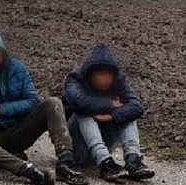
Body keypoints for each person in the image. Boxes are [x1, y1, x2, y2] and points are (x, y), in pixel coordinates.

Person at [0, 28, 88, 185]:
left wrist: (0, 110)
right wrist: (7, 119)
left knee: (53, 103)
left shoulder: (17, 68)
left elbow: (32, 101)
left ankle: (65, 161)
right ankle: (26, 170)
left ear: (2, 51)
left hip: (21, 129)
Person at [64, 43, 155, 182]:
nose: (105, 79)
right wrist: (111, 104)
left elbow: (137, 107)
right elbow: (80, 103)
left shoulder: (119, 81)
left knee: (127, 114)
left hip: (107, 140)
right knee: (84, 113)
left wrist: (111, 116)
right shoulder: (75, 79)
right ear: (90, 73)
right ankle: (105, 163)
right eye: (100, 74)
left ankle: (133, 160)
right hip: (77, 146)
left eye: (108, 74)